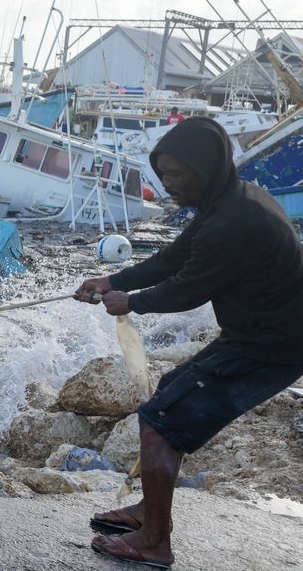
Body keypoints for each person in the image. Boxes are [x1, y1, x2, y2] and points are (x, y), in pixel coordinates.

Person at [74, 117, 303, 569]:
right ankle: (148, 511)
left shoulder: (233, 221)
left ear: (207, 167)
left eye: (177, 175)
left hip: (270, 346)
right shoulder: (231, 201)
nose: (168, 185)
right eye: (163, 175)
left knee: (160, 420)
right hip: (260, 335)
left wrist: (128, 301)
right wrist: (112, 278)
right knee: (169, 393)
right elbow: (174, 258)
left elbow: (186, 289)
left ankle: (155, 541)